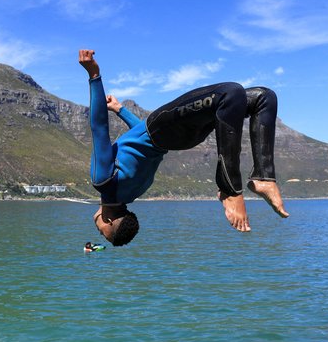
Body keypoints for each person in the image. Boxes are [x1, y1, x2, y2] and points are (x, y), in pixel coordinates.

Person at [79, 49, 289, 246]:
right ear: (107, 221)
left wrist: (120, 110)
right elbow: (99, 128)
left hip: (181, 138)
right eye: (100, 231)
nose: (97, 228)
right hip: (165, 129)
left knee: (263, 98)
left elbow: (140, 138)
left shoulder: (134, 192)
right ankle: (230, 190)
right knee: (230, 93)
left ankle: (263, 176)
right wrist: (94, 75)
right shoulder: (103, 181)